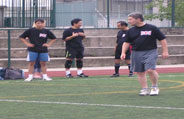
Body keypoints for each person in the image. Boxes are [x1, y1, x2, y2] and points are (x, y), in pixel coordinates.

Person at [121, 13, 169, 96]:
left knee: (150, 70)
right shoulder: (130, 31)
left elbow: (162, 39)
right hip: (136, 52)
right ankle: (145, 89)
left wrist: (165, 51)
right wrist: (123, 52)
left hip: (150, 51)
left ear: (138, 19)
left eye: (130, 19)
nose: (129, 21)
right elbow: (126, 42)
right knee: (140, 72)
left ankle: (154, 87)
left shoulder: (152, 28)